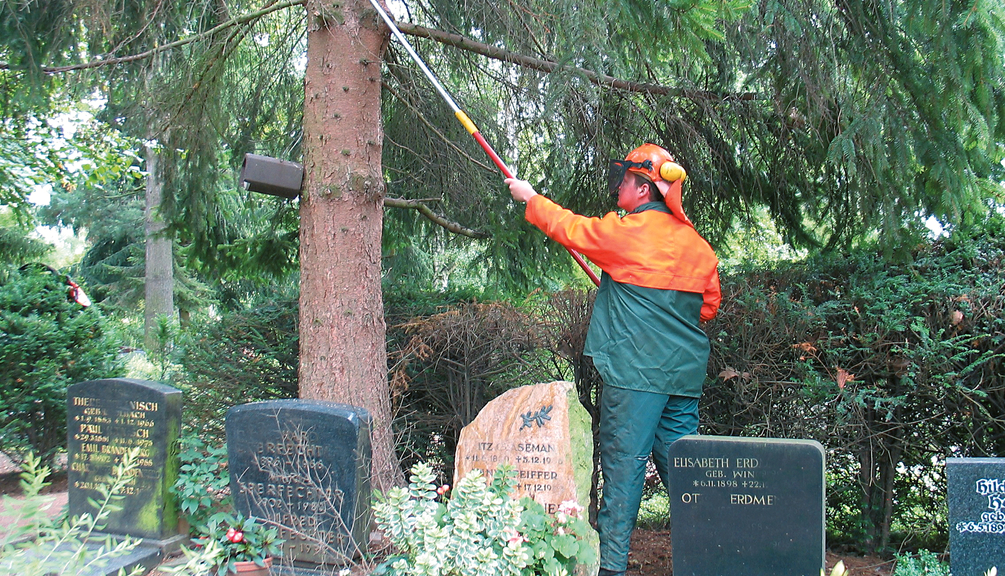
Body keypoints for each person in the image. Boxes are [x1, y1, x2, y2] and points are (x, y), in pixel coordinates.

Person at [505, 143, 721, 576]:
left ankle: (612, 570)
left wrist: (529, 198)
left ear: (643, 189)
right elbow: (707, 307)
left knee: (623, 473)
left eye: (625, 179)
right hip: (681, 379)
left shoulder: (626, 233)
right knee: (687, 475)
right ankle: (715, 559)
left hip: (635, 375)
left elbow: (570, 228)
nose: (618, 185)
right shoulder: (699, 247)